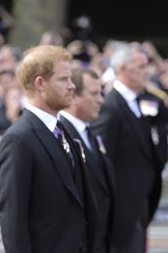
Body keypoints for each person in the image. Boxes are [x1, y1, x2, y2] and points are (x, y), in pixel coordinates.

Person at [0, 45, 97, 253]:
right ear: (40, 83)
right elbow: (13, 221)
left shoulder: (62, 132)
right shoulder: (19, 139)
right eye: (63, 79)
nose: (71, 86)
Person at [90, 45, 163, 253]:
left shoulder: (134, 102)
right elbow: (100, 163)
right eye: (141, 66)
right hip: (120, 213)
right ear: (123, 68)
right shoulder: (111, 106)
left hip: (137, 205)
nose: (146, 71)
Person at [59, 67, 116, 253]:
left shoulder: (88, 133)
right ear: (73, 96)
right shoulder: (61, 135)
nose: (100, 100)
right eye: (94, 94)